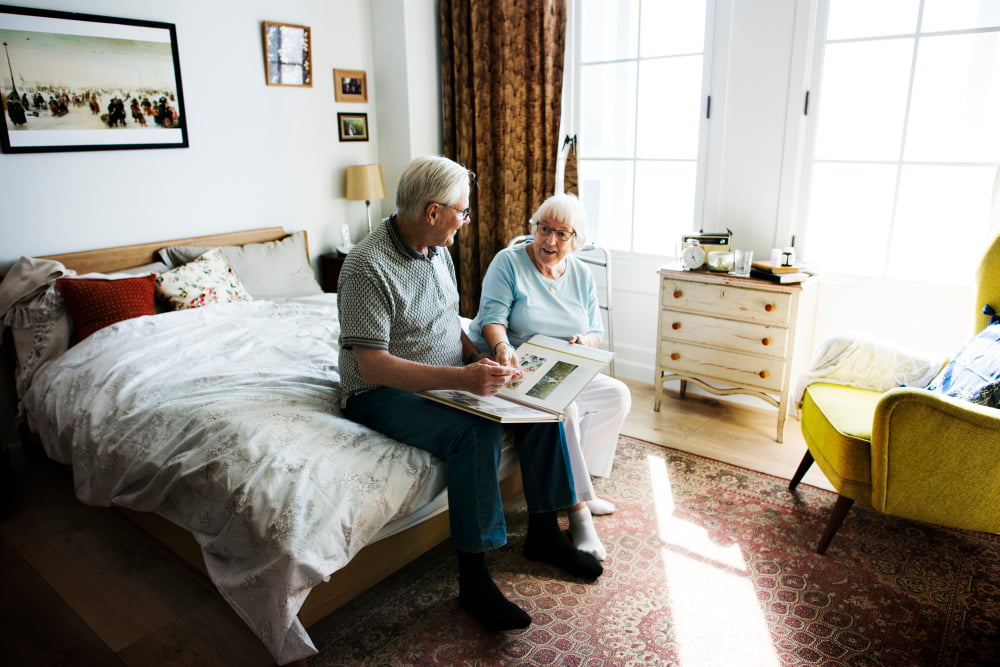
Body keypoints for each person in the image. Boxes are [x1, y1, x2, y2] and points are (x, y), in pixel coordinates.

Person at [338, 156, 602, 632]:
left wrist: (480, 357)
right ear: (434, 211)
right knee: (472, 434)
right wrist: (460, 379)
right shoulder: (365, 266)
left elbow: (447, 323)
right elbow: (370, 365)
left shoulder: (436, 249)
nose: (467, 220)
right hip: (379, 390)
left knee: (537, 408)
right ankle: (474, 579)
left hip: (446, 371)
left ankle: (544, 532)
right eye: (462, 211)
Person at [467, 193, 632, 562]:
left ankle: (582, 484)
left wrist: (582, 341)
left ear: (575, 240)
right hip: (518, 368)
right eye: (544, 229)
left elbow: (594, 331)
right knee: (565, 412)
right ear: (534, 228)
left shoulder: (581, 274)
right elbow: (492, 319)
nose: (550, 241)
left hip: (564, 366)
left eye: (562, 233)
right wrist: (502, 349)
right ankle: (576, 510)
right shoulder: (507, 263)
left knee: (617, 396)